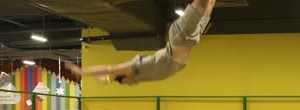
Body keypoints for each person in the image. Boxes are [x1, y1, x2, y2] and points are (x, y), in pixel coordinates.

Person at [66, 0, 216, 85]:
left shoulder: (137, 67)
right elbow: (111, 76)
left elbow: (109, 69)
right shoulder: (145, 75)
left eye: (127, 83)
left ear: (126, 76)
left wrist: (82, 72)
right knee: (208, 7)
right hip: (190, 40)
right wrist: (108, 79)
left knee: (201, 4)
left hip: (180, 36)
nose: (131, 85)